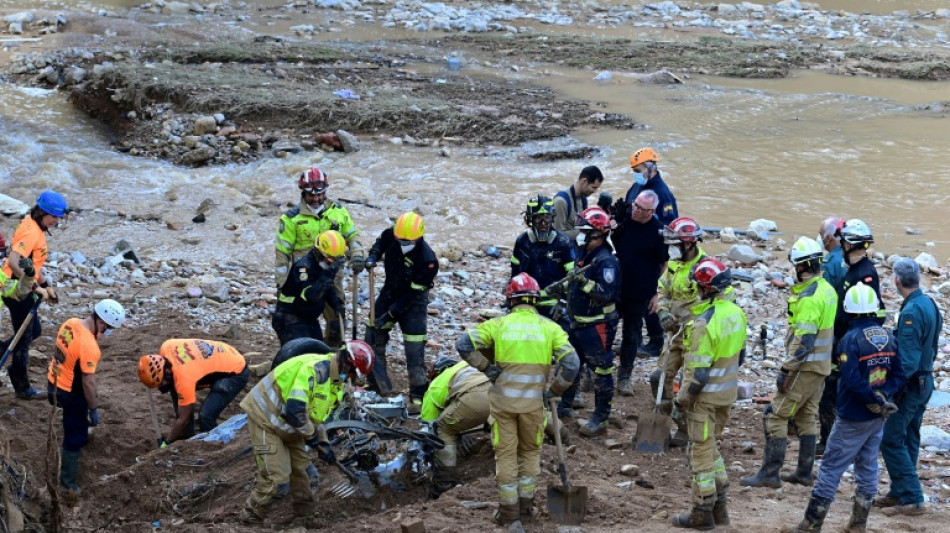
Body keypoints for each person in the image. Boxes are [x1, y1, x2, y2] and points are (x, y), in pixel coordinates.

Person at [456, 273, 579, 529]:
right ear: (535, 300)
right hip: (533, 406)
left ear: (510, 299)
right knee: (530, 452)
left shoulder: (499, 325)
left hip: (502, 406)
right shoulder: (550, 328)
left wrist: (486, 368)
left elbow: (463, 343)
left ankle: (509, 515)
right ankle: (526, 508)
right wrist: (553, 389)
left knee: (506, 456)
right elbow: (571, 363)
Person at [785, 283, 904, 533]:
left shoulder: (850, 340)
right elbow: (899, 375)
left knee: (831, 467)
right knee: (868, 466)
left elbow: (851, 379)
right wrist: (882, 397)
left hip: (853, 416)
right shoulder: (890, 337)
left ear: (849, 310)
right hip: (878, 417)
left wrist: (872, 398)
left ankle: (811, 524)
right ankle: (858, 524)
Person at [239, 341, 375, 525]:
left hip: (290, 427)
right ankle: (249, 518)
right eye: (352, 373)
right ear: (346, 362)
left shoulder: (335, 384)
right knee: (277, 480)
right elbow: (295, 411)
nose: (350, 378)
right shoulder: (313, 371)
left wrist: (323, 442)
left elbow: (317, 417)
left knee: (305, 475)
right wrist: (312, 439)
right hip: (266, 420)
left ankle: (306, 519)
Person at [741, 237, 836, 489]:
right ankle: (804, 472)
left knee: (774, 414)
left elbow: (804, 341)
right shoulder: (827, 289)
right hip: (820, 368)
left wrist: (786, 369)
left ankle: (770, 473)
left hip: (803, 369)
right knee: (805, 416)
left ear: (802, 266)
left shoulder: (809, 298)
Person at [671, 257, 746, 530]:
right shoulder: (736, 313)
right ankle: (721, 508)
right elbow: (741, 357)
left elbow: (698, 375)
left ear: (704, 289)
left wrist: (682, 401)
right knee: (711, 447)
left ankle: (702, 513)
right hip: (726, 397)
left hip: (704, 401)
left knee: (700, 455)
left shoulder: (704, 322)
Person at [546, 207, 620, 435]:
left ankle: (600, 417)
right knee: (572, 363)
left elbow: (605, 293)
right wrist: (560, 294)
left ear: (598, 235)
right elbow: (574, 282)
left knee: (602, 369)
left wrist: (583, 282)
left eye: (585, 232)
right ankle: (566, 406)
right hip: (577, 321)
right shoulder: (583, 253)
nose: (580, 236)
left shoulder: (606, 262)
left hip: (597, 325)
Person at [877, 258, 941, 515]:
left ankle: (913, 497)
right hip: (925, 383)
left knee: (891, 438)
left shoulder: (913, 311)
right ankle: (900, 491)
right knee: (909, 436)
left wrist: (889, 390)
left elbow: (909, 360)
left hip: (912, 386)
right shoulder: (929, 304)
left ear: (897, 281)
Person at [275, 168, 365, 348]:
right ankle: (297, 346)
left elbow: (353, 235)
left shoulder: (338, 212)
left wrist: (357, 255)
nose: (316, 199)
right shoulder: (291, 219)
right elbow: (282, 254)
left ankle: (332, 352)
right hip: (304, 277)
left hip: (333, 275)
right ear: (303, 193)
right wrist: (282, 283)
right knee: (300, 315)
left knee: (336, 317)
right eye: (311, 196)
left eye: (320, 195)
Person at [46, 299, 125, 496]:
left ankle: (79, 437)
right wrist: (93, 408)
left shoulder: (70, 322)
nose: (108, 333)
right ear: (101, 323)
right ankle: (67, 485)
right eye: (109, 328)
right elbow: (88, 382)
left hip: (52, 381)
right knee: (75, 435)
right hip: (68, 392)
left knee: (77, 423)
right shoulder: (89, 345)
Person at [819, 218, 884, 455]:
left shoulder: (864, 274)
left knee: (833, 393)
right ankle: (831, 440)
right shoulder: (855, 270)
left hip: (848, 343)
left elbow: (875, 313)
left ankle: (831, 442)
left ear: (848, 245)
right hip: (843, 339)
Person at [363, 211, 439, 410]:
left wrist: (390, 316)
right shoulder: (392, 234)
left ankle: (418, 393)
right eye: (400, 239)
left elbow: (410, 297)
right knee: (372, 334)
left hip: (413, 302)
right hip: (390, 292)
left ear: (419, 237)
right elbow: (380, 244)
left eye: (408, 241)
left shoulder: (427, 260)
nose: (402, 243)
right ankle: (377, 384)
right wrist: (372, 257)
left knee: (414, 348)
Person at [1, 190, 68, 400]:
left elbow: (32, 263)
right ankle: (22, 386)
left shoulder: (35, 226)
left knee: (33, 330)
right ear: (41, 213)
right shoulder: (31, 232)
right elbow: (14, 261)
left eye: (58, 217)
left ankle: (2, 349)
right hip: (15, 289)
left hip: (21, 285)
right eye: (53, 217)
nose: (56, 221)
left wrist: (46, 285)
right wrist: (33, 287)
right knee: (24, 336)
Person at [652, 216, 706, 447]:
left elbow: (718, 304)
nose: (671, 249)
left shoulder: (706, 269)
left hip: (697, 337)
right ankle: (661, 423)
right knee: (659, 377)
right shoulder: (674, 266)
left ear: (688, 243)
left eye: (675, 244)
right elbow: (662, 290)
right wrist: (663, 312)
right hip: (674, 334)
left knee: (689, 387)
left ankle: (684, 429)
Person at [137, 339, 250, 444]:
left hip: (235, 371)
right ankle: (188, 435)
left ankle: (213, 444)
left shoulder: (183, 378)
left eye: (161, 383)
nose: (161, 387)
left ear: (166, 370)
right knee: (174, 388)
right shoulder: (166, 346)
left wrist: (167, 442)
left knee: (206, 416)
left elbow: (183, 419)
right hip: (225, 352)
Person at [612, 190, 668, 396]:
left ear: (651, 211)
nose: (635, 210)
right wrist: (610, 227)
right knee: (604, 328)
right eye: (634, 205)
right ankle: (596, 372)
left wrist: (656, 293)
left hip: (640, 291)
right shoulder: (623, 216)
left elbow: (664, 264)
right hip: (613, 287)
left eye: (641, 209)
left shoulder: (658, 231)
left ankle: (624, 376)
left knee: (632, 335)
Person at [624, 147, 678, 358]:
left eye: (638, 169)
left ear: (650, 167)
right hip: (634, 246)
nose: (636, 173)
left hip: (653, 253)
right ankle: (635, 336)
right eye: (634, 170)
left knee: (652, 296)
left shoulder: (662, 193)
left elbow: (669, 228)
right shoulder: (638, 186)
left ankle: (656, 340)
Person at [421, 356, 490, 499]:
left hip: (477, 396)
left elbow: (428, 427)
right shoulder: (465, 365)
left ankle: (444, 483)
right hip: (503, 386)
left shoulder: (435, 385)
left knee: (442, 427)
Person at [272, 230, 348, 346]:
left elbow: (326, 288)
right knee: (300, 355)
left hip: (308, 318)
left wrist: (336, 304)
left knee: (318, 353)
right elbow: (311, 295)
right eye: (330, 259)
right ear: (319, 252)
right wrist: (330, 272)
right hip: (290, 318)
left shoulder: (321, 266)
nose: (331, 263)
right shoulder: (303, 268)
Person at [510, 194, 575, 323]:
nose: (543, 224)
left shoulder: (563, 242)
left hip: (555, 303)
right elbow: (515, 275)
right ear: (530, 220)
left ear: (553, 218)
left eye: (547, 218)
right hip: (528, 302)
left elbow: (572, 277)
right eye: (538, 219)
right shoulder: (522, 242)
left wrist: (563, 302)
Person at [552, 166, 603, 241]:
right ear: (584, 181)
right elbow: (557, 236)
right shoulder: (560, 201)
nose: (595, 191)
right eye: (593, 187)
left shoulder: (584, 199)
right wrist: (587, 231)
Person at [818, 217, 847, 292]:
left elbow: (825, 293)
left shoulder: (827, 264)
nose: (820, 238)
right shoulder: (852, 254)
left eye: (821, 235)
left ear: (829, 238)